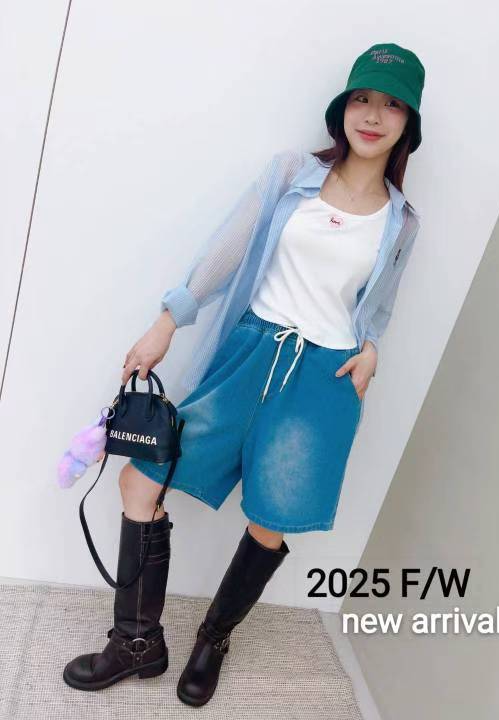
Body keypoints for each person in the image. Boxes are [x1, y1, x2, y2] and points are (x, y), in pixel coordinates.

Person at [63, 42, 425, 707]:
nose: (373, 115)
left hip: (324, 379)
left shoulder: (401, 221)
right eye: (363, 98)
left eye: (392, 105)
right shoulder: (291, 174)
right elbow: (226, 250)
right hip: (248, 356)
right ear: (342, 108)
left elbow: (379, 306)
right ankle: (137, 643)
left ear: (409, 123)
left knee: (269, 518)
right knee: (140, 480)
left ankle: (213, 640)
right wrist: (168, 320)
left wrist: (372, 348)